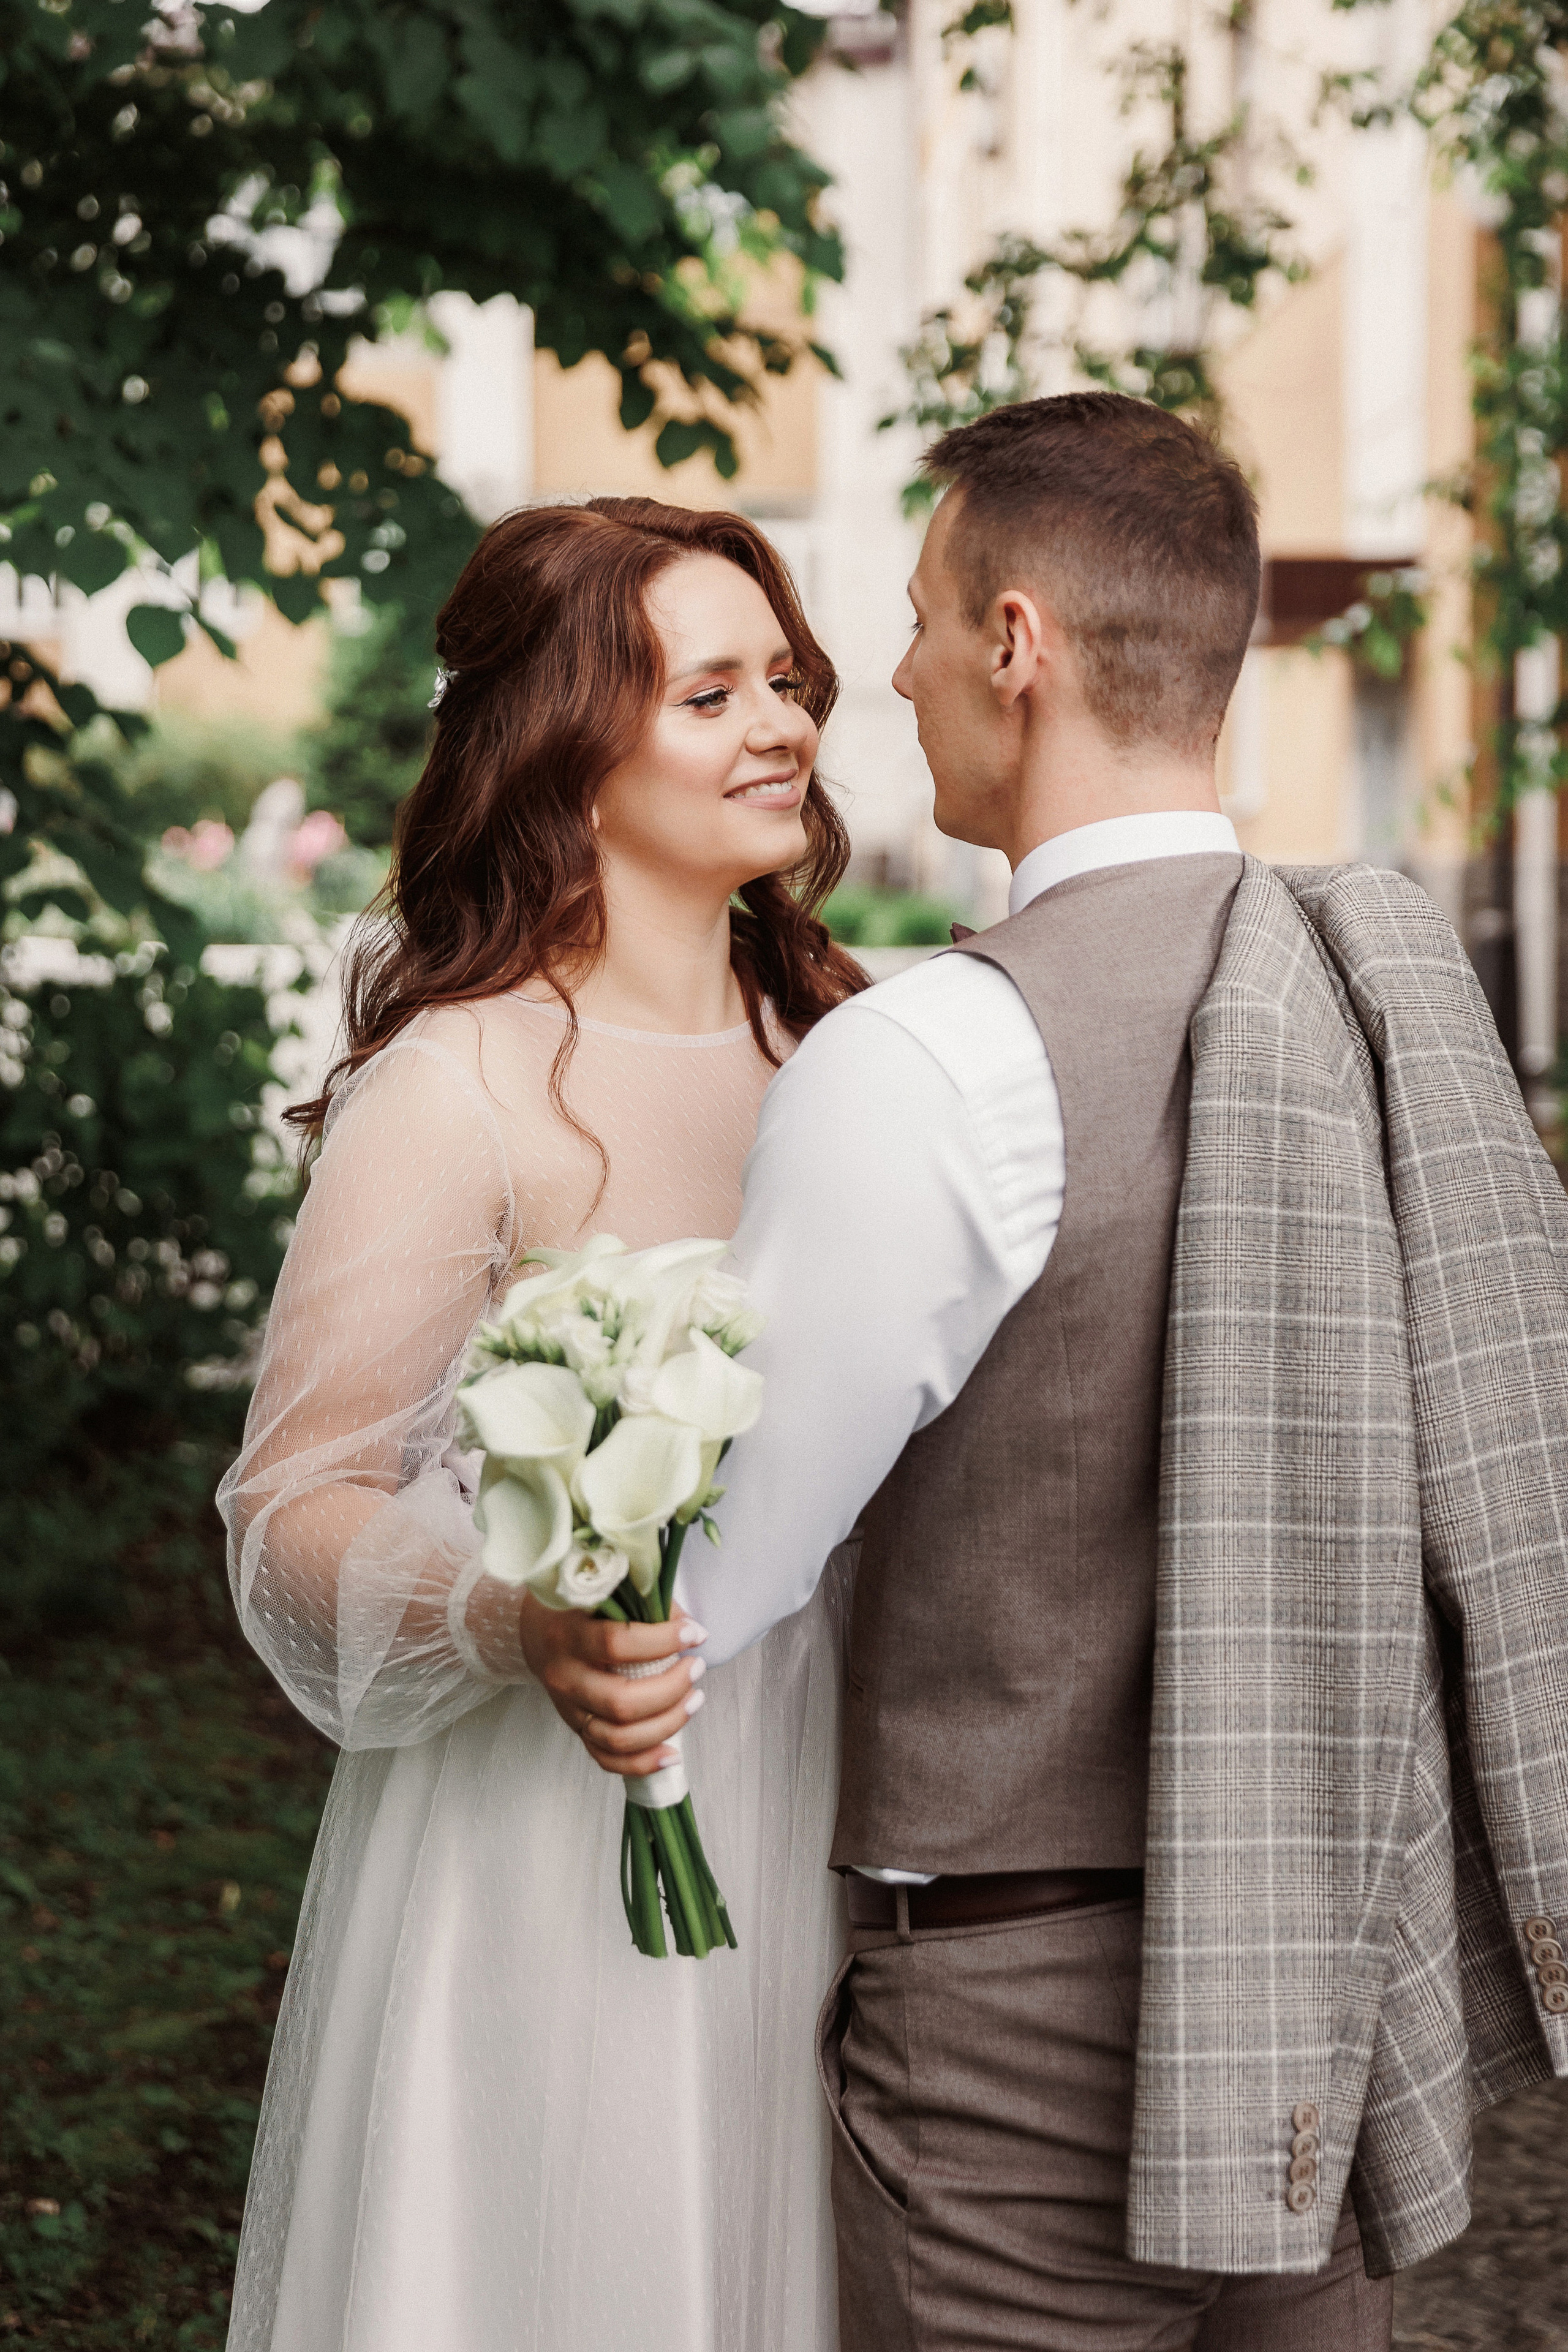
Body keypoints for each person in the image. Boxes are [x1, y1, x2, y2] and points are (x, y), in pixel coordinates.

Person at [548, 393, 1568, 2350]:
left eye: (920, 619)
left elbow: (718, 1583)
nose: (897, 680)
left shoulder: (929, 1058)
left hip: (1012, 2040)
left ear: (1014, 644)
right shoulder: (1379, 1005)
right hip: (1316, 1982)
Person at [217, 496, 864, 2352]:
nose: (785, 724)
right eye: (714, 688)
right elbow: (295, 1511)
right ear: (572, 749)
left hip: (825, 1795)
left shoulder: (846, 1049)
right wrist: (528, 1622)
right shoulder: (460, 1082)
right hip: (550, 1828)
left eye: (790, 677)